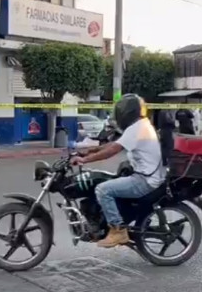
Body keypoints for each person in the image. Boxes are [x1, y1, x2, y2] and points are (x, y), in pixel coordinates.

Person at [70, 94, 166, 248]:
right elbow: (114, 144)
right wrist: (88, 151)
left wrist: (85, 160)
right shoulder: (141, 124)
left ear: (127, 112)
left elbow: (113, 150)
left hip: (145, 180)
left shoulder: (137, 128)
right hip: (146, 175)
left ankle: (118, 230)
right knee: (106, 180)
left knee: (102, 189)